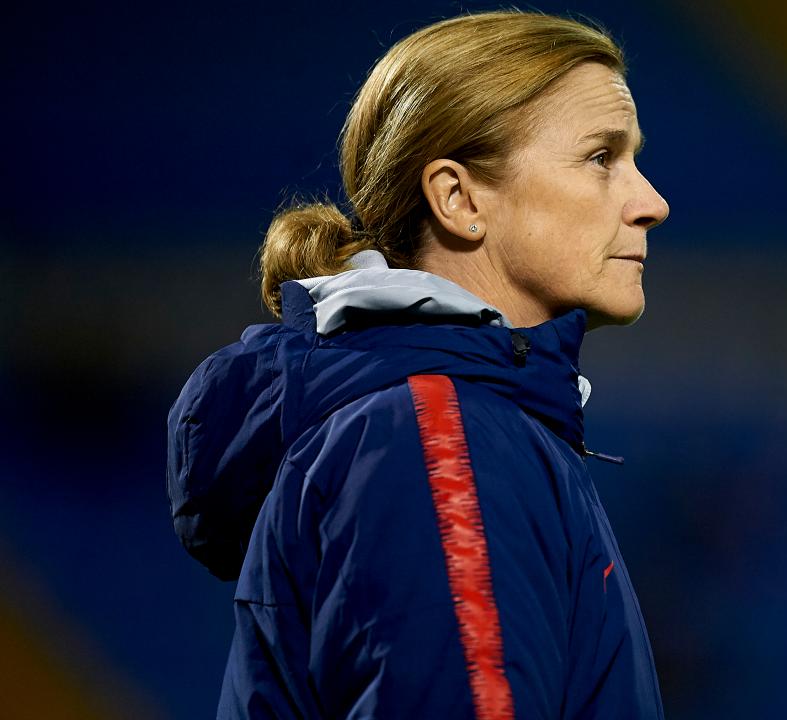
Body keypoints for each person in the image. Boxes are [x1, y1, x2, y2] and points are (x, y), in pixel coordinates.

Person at [165, 10, 670, 718]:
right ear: (459, 198)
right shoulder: (436, 437)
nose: (652, 202)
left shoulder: (453, 426)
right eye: (600, 157)